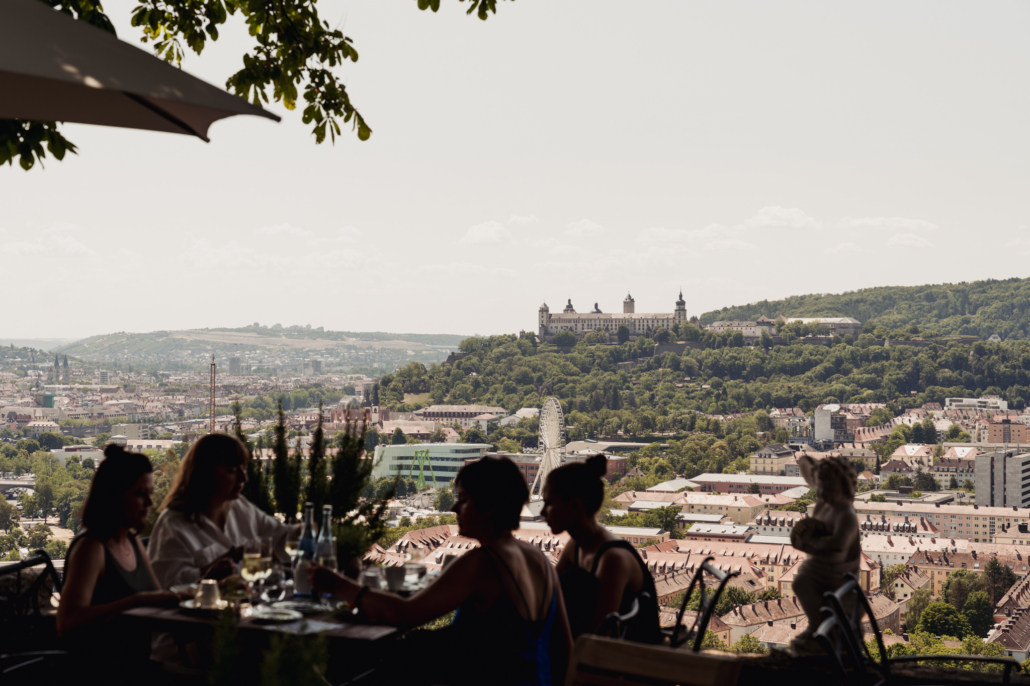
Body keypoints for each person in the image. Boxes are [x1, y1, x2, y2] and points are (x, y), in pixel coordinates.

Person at [310, 456, 572, 686]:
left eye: (463, 499)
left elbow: (405, 613)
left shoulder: (482, 563)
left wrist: (338, 584)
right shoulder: (538, 558)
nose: (453, 508)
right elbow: (564, 645)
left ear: (489, 507)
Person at [57, 445, 178, 649]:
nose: (149, 502)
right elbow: (68, 621)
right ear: (113, 496)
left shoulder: (131, 541)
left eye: (150, 493)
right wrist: (135, 601)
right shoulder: (91, 548)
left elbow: (157, 599)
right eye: (140, 494)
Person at [148, 433, 293, 589]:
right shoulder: (173, 525)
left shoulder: (240, 507)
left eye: (243, 469)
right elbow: (168, 584)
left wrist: (307, 532)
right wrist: (232, 556)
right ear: (205, 473)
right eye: (231, 470)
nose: (243, 478)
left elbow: (280, 536)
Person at [542, 454, 661, 644]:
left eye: (549, 503)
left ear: (574, 506)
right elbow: (550, 596)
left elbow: (598, 636)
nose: (542, 512)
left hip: (625, 664)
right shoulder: (577, 546)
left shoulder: (613, 560)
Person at [789, 453, 860, 652]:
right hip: (819, 565)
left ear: (844, 486)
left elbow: (838, 543)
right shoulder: (822, 505)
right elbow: (816, 528)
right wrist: (803, 535)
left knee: (802, 583)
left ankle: (819, 629)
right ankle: (817, 627)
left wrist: (811, 541)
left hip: (837, 572)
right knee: (801, 582)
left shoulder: (846, 513)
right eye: (820, 486)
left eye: (829, 488)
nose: (822, 492)